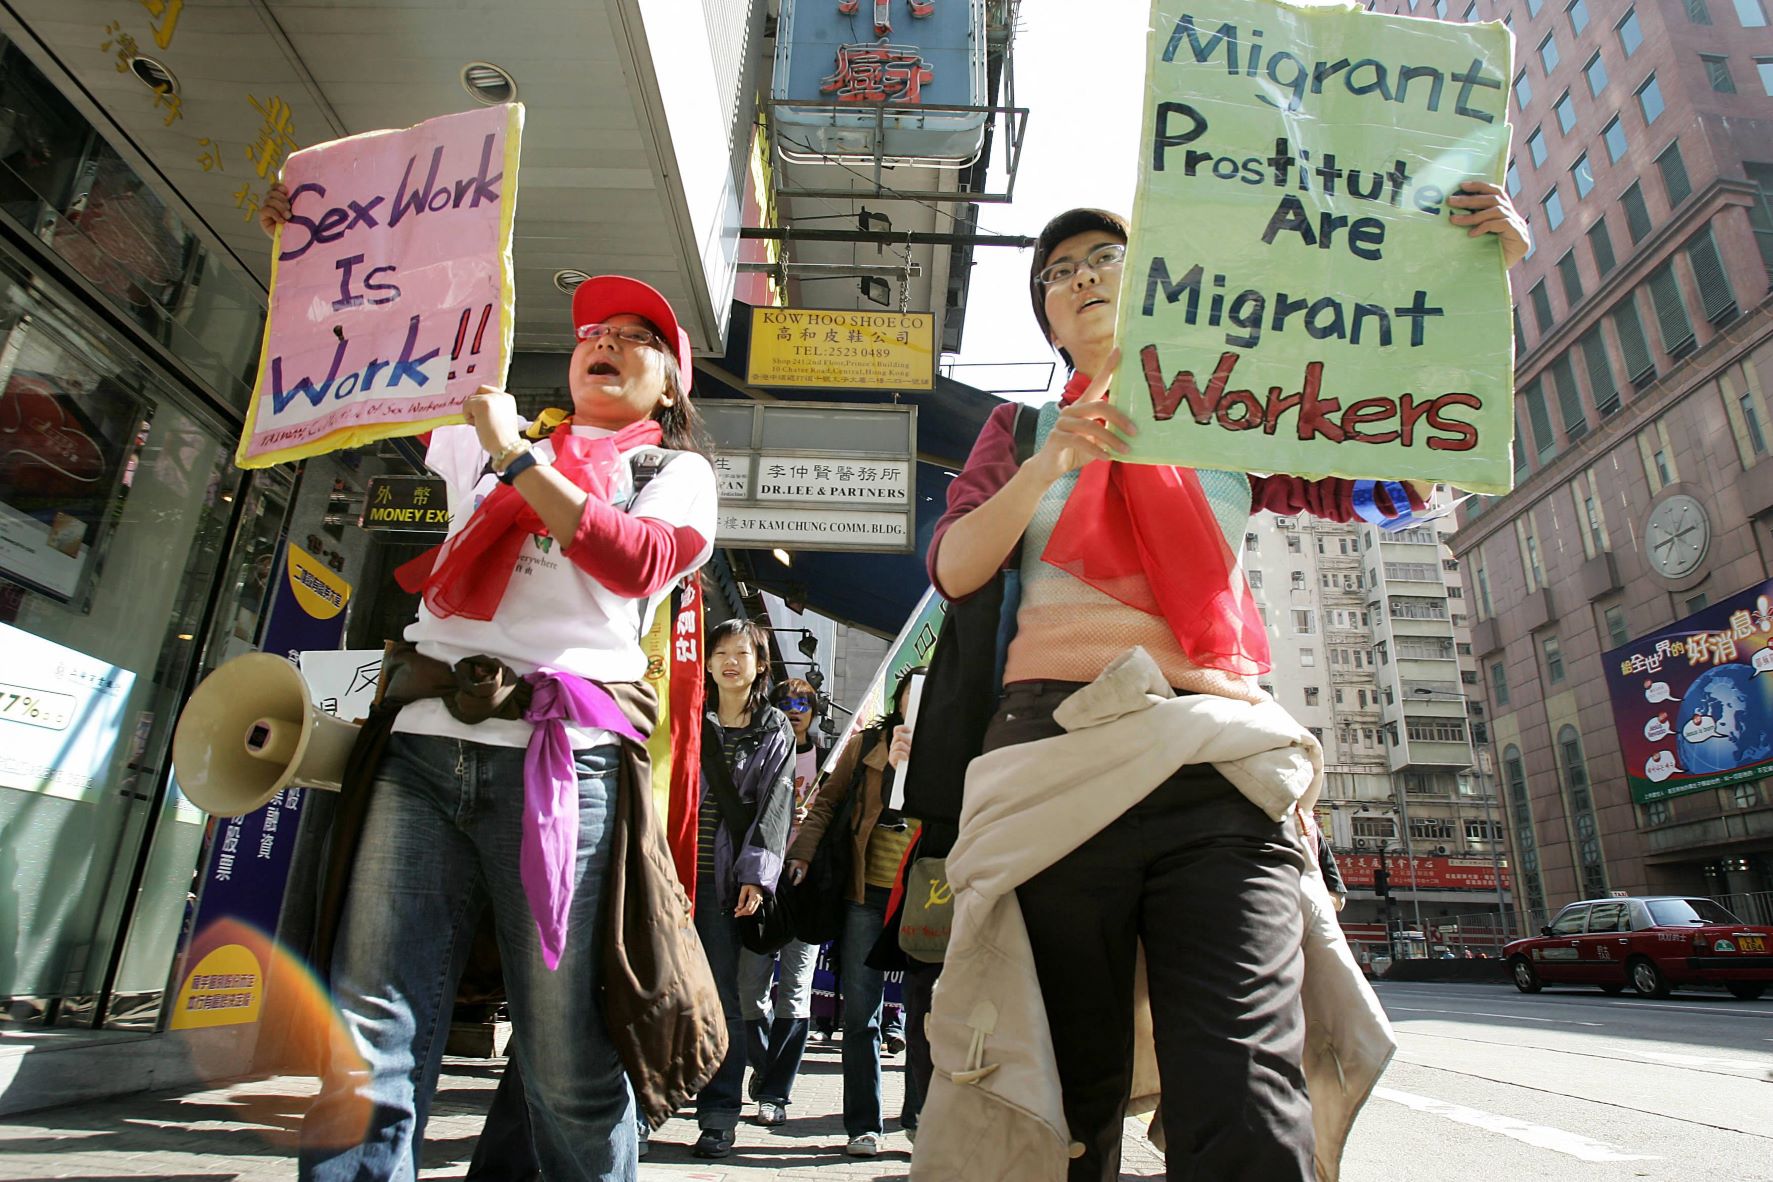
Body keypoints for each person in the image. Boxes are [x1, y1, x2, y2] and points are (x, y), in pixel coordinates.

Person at [914, 186, 1529, 1181]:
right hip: (1050, 766)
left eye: (1104, 259)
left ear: (1153, 282)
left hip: (1217, 767)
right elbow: (955, 568)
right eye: (1059, 273)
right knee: (1064, 1101)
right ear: (1048, 318)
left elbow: (1404, 479)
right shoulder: (1018, 432)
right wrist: (1051, 462)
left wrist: (1480, 288)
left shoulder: (1235, 407)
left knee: (1245, 1091)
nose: (1081, 278)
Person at [265, 208, 720, 1182]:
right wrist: (320, 252)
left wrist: (520, 459)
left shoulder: (671, 473)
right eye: (597, 332)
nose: (607, 342)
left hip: (563, 778)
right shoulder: (484, 439)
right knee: (362, 1052)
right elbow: (378, 351)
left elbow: (635, 560)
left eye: (639, 340)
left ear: (672, 383)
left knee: (569, 1072)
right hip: (419, 757)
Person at [785, 669, 919, 1158]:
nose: (918, 704)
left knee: (926, 1014)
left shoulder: (953, 749)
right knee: (861, 1013)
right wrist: (801, 853)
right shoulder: (866, 747)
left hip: (924, 897)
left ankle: (918, 1120)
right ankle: (864, 1123)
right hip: (865, 894)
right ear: (899, 700)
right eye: (911, 694)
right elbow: (826, 804)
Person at [692, 618, 795, 1158]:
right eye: (722, 652)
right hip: (673, 871)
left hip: (726, 882)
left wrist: (756, 876)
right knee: (656, 988)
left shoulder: (774, 727)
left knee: (722, 996)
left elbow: (777, 806)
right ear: (706, 661)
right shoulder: (686, 715)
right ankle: (642, 1105)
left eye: (743, 653)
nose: (731, 661)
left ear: (760, 665)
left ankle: (719, 1112)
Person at [735, 678, 827, 1127]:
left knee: (795, 989)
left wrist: (813, 827)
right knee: (749, 988)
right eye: (786, 704)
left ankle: (776, 1092)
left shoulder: (829, 758)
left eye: (802, 705)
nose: (794, 711)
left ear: (815, 711)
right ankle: (763, 1061)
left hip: (804, 887)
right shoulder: (761, 750)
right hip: (760, 882)